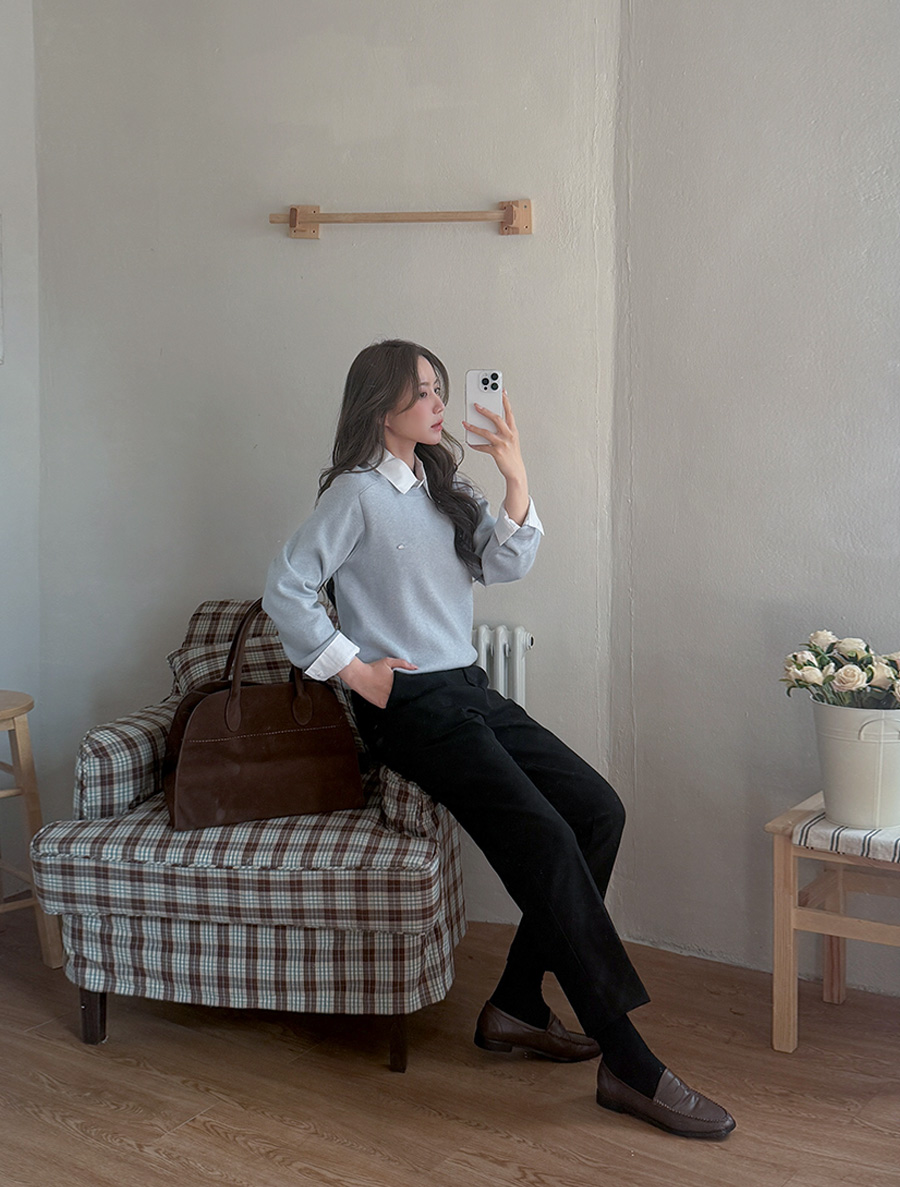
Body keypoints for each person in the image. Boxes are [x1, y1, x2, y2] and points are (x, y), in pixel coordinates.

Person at [263, 339, 735, 1140]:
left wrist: (515, 475)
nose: (438, 403)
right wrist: (359, 671)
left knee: (598, 810)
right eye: (423, 391)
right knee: (544, 838)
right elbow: (287, 586)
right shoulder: (354, 494)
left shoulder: (442, 482)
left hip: (469, 688)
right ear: (381, 405)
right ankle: (627, 1060)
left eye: (440, 388)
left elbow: (505, 563)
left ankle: (516, 1001)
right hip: (413, 707)